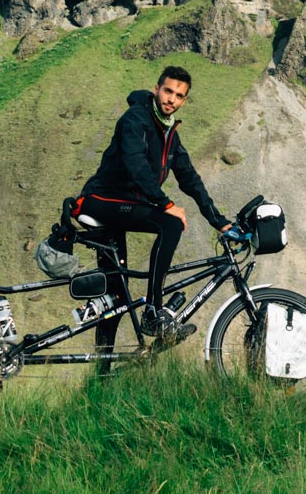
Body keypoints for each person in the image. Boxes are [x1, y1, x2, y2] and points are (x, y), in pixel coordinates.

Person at [74, 65, 232, 344]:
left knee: (117, 296)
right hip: (100, 202)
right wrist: (165, 203)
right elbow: (135, 165)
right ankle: (154, 312)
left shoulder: (169, 131)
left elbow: (189, 178)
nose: (172, 99)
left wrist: (218, 220)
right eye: (168, 91)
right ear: (156, 89)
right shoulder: (135, 119)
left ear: (184, 101)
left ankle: (102, 374)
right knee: (170, 223)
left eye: (179, 96)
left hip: (123, 206)